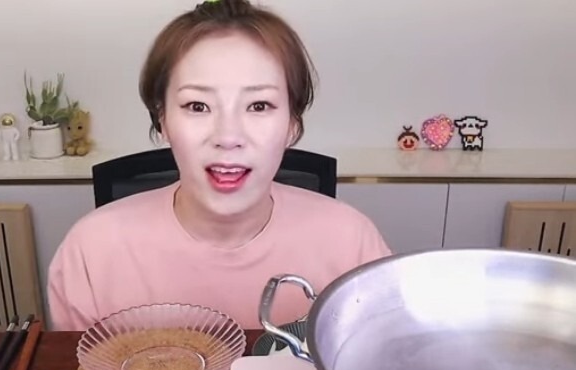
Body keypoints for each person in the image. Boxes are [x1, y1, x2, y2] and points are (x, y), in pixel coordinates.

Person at [48, 0, 391, 331]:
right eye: (197, 106)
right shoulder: (90, 253)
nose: (228, 137)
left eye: (259, 106)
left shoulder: (353, 244)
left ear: (292, 125)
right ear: (162, 120)